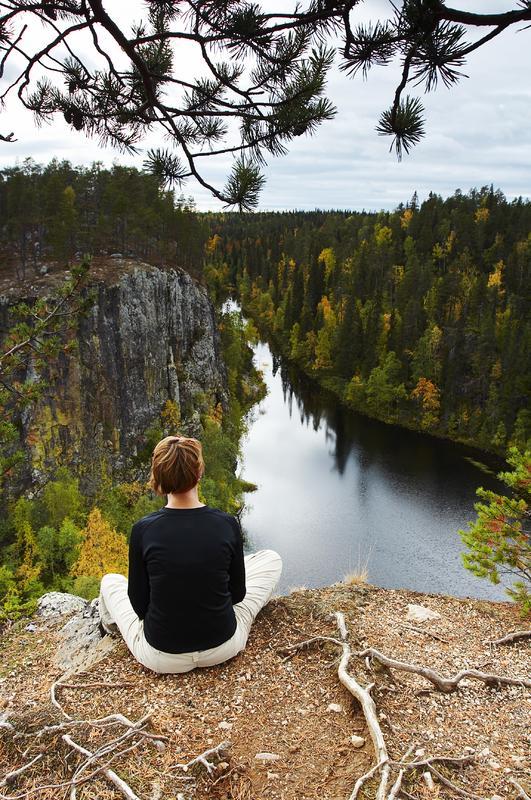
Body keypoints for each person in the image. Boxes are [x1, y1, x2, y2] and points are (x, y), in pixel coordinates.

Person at [98, 435, 282, 674]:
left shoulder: (143, 530)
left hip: (161, 656)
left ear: (158, 480)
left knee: (110, 581)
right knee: (271, 559)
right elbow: (237, 595)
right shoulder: (226, 524)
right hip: (224, 646)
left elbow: (140, 606)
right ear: (199, 474)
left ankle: (109, 630)